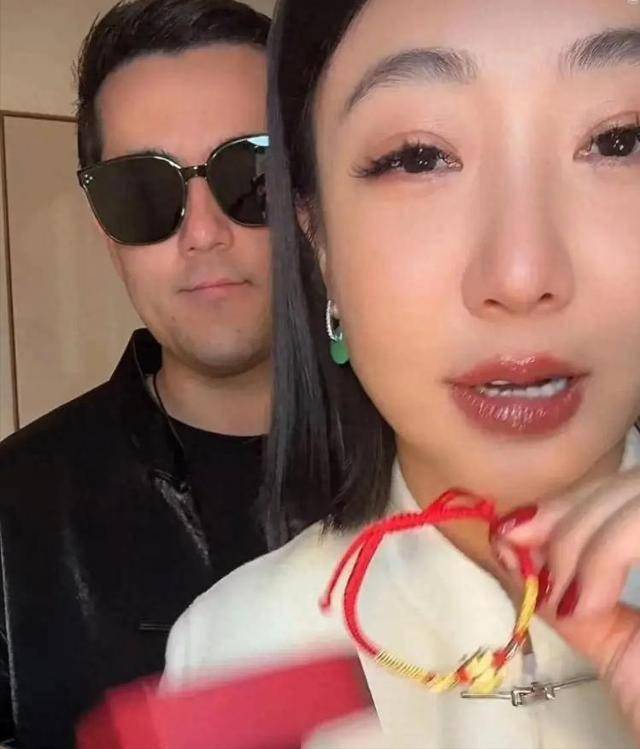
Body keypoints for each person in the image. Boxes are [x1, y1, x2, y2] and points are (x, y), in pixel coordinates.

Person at [163, 0, 640, 746]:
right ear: (316, 237)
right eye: (417, 157)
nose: (521, 275)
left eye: (619, 141)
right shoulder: (233, 651)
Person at [0, 0, 273, 746]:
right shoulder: (12, 519)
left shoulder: (453, 469)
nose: (204, 233)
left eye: (250, 172)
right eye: (144, 191)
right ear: (105, 229)